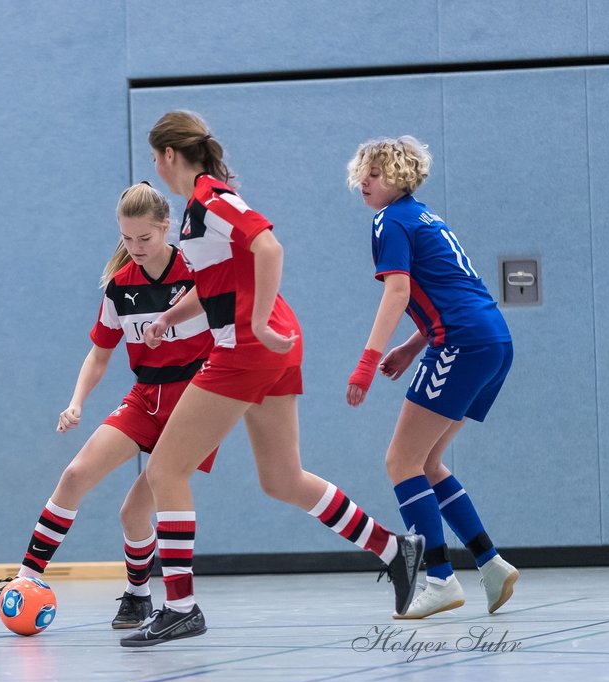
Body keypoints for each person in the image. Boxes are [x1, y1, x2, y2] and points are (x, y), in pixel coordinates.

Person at [118, 111, 426, 648]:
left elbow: (269, 247)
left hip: (250, 347)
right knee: (282, 478)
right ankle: (395, 551)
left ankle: (182, 607)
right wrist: (171, 318)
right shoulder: (197, 210)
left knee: (166, 469)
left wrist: (257, 319)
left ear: (169, 156)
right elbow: (221, 280)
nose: (156, 169)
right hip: (271, 346)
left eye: (155, 159)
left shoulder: (212, 199)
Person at [0, 182, 217, 629]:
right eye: (127, 239)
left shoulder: (195, 270)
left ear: (167, 228)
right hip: (145, 396)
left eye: (144, 238)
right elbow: (99, 353)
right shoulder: (119, 287)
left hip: (194, 401)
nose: (136, 247)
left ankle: (143, 595)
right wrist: (76, 402)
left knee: (132, 512)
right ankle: (25, 579)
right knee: (74, 475)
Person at [344, 135, 519, 620]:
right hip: (491, 340)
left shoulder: (389, 220)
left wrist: (367, 361)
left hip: (462, 343)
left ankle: (439, 578)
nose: (364, 181)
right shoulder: (427, 217)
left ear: (398, 177)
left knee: (401, 462)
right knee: (430, 462)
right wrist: (411, 345)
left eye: (374, 174)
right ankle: (491, 563)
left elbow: (398, 292)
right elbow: (451, 288)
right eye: (361, 171)